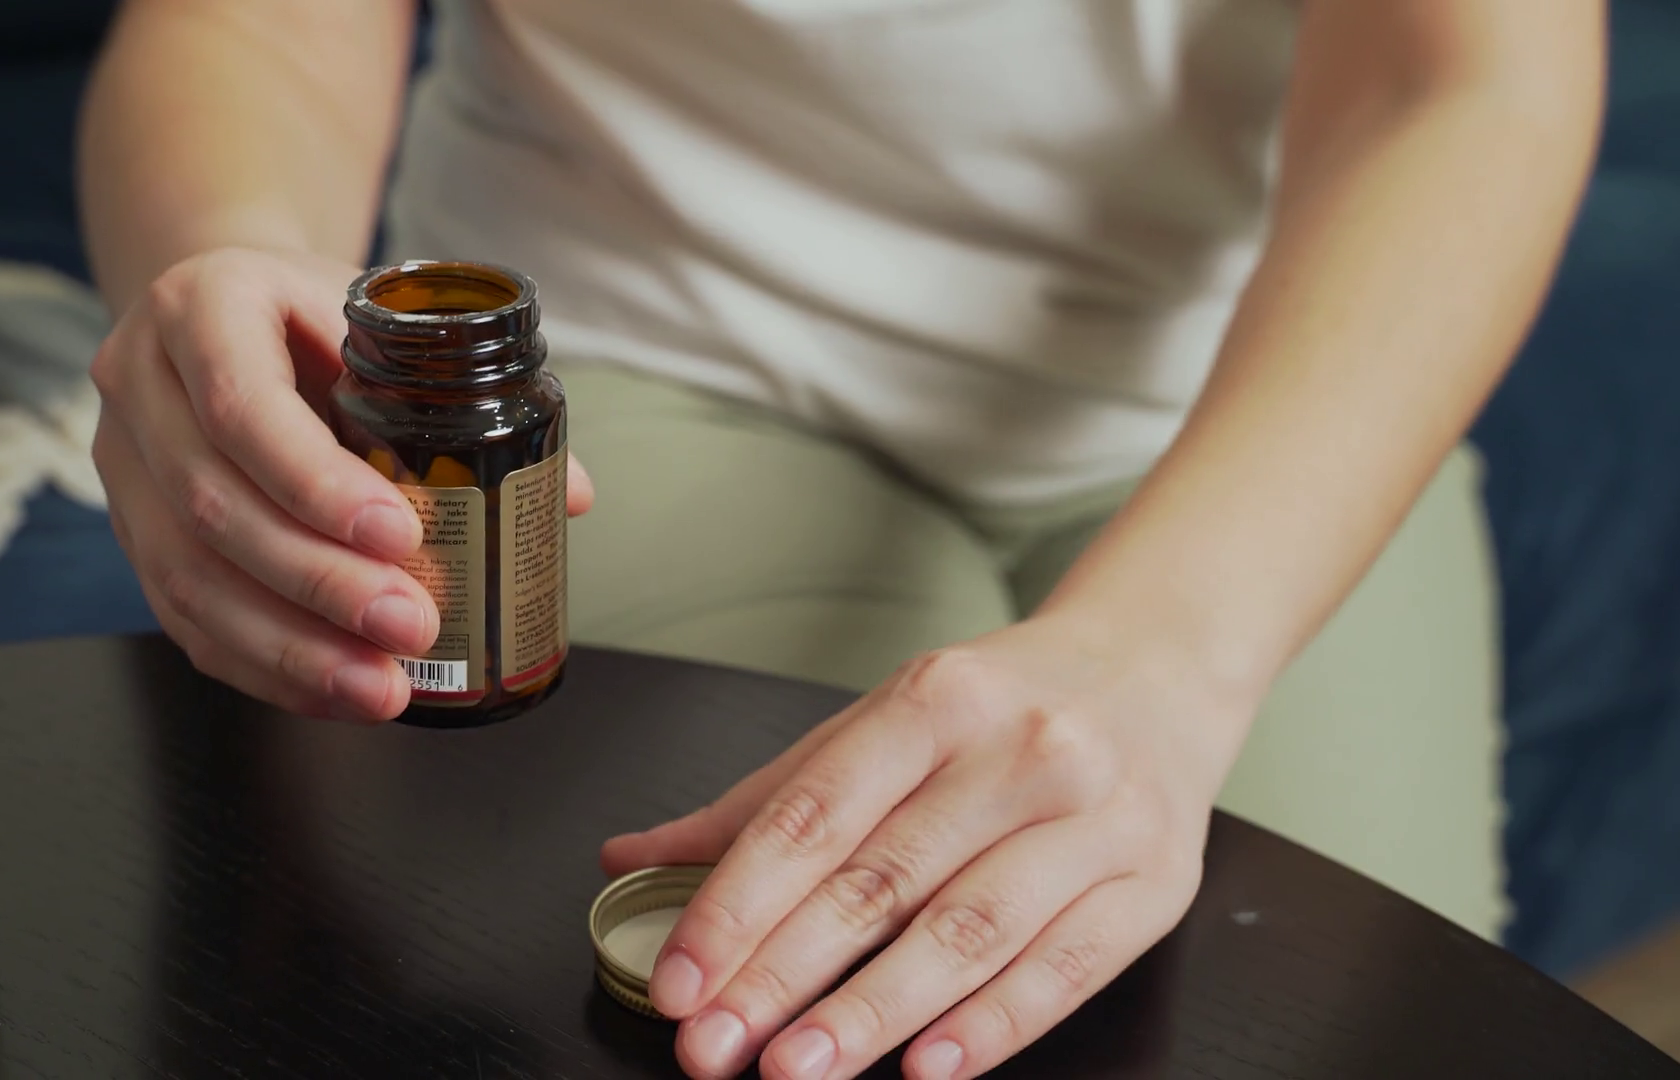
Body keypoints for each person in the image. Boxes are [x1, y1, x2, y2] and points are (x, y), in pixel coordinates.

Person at [77, 1, 1602, 1077]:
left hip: (1267, 369)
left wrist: (1172, 655)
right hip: (643, 350)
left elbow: (1463, 77)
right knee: (662, 1003)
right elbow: (258, 21)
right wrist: (235, 270)